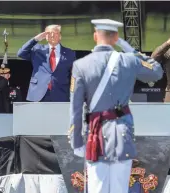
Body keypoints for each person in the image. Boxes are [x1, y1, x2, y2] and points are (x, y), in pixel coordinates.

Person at [68, 19, 163, 193]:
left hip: (95, 134)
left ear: (95, 36)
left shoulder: (80, 65)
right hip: (121, 133)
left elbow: (75, 108)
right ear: (116, 37)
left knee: (97, 187)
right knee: (120, 188)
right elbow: (156, 71)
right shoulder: (129, 61)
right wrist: (130, 49)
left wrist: (77, 141)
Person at [17, 24, 76, 102]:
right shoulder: (37, 49)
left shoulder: (69, 53)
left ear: (60, 36)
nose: (52, 35)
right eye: (49, 33)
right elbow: (21, 53)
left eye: (55, 33)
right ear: (45, 36)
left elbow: (74, 74)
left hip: (61, 94)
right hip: (38, 94)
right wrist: (35, 39)